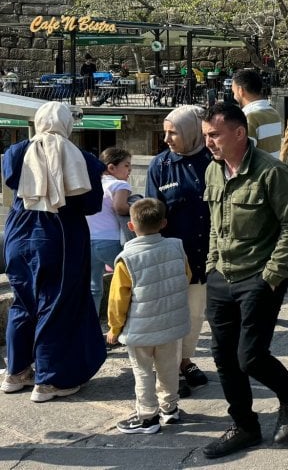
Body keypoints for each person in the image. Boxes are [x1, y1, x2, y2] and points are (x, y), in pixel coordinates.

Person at [199, 103, 288, 459]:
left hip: (258, 277)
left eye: (214, 135)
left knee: (250, 356)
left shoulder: (270, 171)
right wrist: (212, 264)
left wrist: (272, 274)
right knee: (223, 357)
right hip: (221, 276)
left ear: (239, 133)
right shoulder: (212, 172)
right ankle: (244, 425)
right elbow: (216, 224)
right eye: (206, 136)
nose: (209, 143)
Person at [2, 102, 106, 402]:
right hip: (58, 233)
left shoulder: (16, 152)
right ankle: (49, 379)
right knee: (56, 302)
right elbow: (90, 205)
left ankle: (16, 371)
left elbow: (12, 181)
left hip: (18, 231)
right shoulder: (82, 158)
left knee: (23, 302)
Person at [106, 198, 191, 434]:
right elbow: (185, 277)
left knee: (143, 371)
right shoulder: (176, 246)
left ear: (131, 226)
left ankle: (147, 417)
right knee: (168, 369)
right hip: (171, 325)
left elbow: (117, 300)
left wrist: (114, 328)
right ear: (164, 223)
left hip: (140, 329)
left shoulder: (127, 258)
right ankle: (170, 409)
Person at [145, 105, 213, 398]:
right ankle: (168, 372)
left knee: (195, 316)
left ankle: (185, 361)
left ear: (192, 131)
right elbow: (150, 211)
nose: (167, 138)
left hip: (206, 256)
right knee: (171, 317)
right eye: (165, 132)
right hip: (172, 258)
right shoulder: (160, 166)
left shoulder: (214, 160)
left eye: (173, 132)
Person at [85, 146, 132, 316]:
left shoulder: (92, 184)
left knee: (93, 287)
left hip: (88, 241)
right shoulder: (120, 184)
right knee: (131, 281)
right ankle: (123, 324)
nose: (130, 170)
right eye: (126, 165)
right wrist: (136, 208)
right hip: (110, 241)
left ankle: (91, 328)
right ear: (111, 168)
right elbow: (120, 207)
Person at [231, 69, 282, 159]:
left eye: (234, 92)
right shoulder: (274, 113)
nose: (234, 96)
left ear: (240, 90)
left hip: (257, 172)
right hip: (272, 169)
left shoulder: (248, 117)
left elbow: (243, 157)